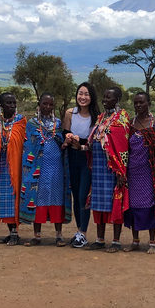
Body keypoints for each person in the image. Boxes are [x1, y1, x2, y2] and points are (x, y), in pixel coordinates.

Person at [20, 93, 71, 246]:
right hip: (38, 168)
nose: (47, 107)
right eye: (45, 104)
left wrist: (64, 143)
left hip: (56, 167)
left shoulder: (58, 123)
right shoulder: (32, 124)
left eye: (50, 105)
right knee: (38, 198)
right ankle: (37, 236)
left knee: (57, 198)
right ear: (39, 105)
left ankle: (59, 235)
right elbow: (27, 146)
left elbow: (62, 145)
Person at [87, 87, 130, 253]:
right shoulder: (101, 117)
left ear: (117, 100)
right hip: (98, 167)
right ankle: (99, 239)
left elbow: (122, 146)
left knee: (114, 202)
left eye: (108, 97)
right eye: (103, 97)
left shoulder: (122, 119)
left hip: (113, 169)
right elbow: (95, 140)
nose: (104, 100)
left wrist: (121, 170)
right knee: (99, 203)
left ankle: (116, 241)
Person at [123, 91, 155, 254]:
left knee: (150, 206)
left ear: (149, 103)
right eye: (136, 103)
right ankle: (135, 241)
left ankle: (152, 242)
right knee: (133, 206)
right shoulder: (131, 124)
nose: (138, 105)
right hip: (133, 172)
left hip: (150, 172)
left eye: (141, 102)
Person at [62, 82, 99, 248]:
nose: (82, 97)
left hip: (87, 159)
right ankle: (79, 231)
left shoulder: (97, 116)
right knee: (76, 195)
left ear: (92, 97)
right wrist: (69, 138)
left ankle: (83, 232)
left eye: (86, 94)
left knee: (84, 195)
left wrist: (81, 145)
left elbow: (95, 141)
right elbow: (64, 133)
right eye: (80, 93)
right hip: (72, 157)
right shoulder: (70, 113)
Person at [0, 92, 27, 246]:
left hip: (17, 166)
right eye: (8, 103)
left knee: (14, 198)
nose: (12, 106)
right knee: (4, 199)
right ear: (1, 105)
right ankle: (10, 231)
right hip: (3, 165)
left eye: (14, 103)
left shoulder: (21, 121)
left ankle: (15, 233)